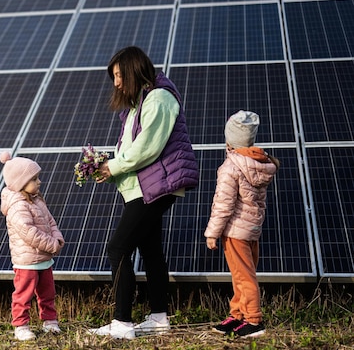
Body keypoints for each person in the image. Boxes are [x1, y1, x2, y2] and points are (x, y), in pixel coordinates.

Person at [89, 46, 199, 339]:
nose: (116, 83)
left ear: (133, 69)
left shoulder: (159, 98)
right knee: (150, 251)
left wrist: (113, 167)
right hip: (144, 186)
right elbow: (131, 151)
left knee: (118, 248)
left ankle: (122, 323)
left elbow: (147, 148)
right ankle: (159, 319)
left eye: (118, 75)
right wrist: (108, 170)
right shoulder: (138, 105)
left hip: (155, 185)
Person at [204, 110, 279, 338]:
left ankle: (254, 320)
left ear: (230, 140)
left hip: (235, 231)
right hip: (252, 230)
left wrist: (212, 233)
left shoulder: (230, 168)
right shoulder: (260, 164)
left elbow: (223, 205)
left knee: (244, 276)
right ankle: (237, 314)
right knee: (241, 274)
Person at [0, 151, 65, 341]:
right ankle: (21, 325)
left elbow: (50, 221)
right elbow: (29, 233)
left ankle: (50, 321)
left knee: (47, 292)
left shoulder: (36, 200)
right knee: (24, 295)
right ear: (21, 183)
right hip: (26, 260)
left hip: (43, 258)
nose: (39, 182)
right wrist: (52, 244)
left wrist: (57, 236)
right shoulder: (18, 206)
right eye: (34, 179)